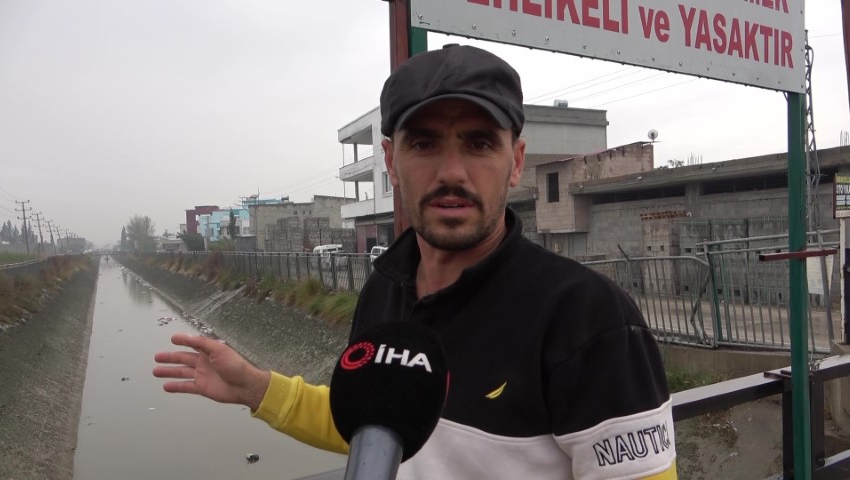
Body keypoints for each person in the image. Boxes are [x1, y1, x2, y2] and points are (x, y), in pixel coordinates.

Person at [154, 44, 678, 479]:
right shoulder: (384, 290)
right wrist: (256, 389)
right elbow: (373, 431)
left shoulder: (590, 318)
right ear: (391, 161)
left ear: (515, 161)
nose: (452, 172)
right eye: (424, 144)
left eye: (479, 143)